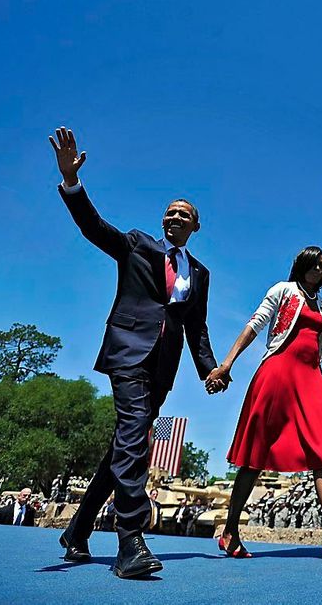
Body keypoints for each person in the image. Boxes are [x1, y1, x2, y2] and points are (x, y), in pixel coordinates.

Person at [49, 127, 222, 579]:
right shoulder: (137, 245)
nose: (174, 217)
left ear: (195, 226)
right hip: (128, 351)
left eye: (183, 214)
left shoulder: (200, 274)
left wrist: (209, 370)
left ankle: (78, 530)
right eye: (169, 212)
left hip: (164, 366)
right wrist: (72, 183)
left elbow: (196, 328)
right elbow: (94, 227)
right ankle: (130, 541)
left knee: (121, 447)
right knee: (133, 436)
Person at [207, 247, 322, 562]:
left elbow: (316, 347)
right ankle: (230, 530)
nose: (317, 270)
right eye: (312, 265)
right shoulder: (283, 290)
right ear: (300, 266)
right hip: (277, 374)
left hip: (311, 379)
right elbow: (255, 325)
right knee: (254, 455)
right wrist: (226, 364)